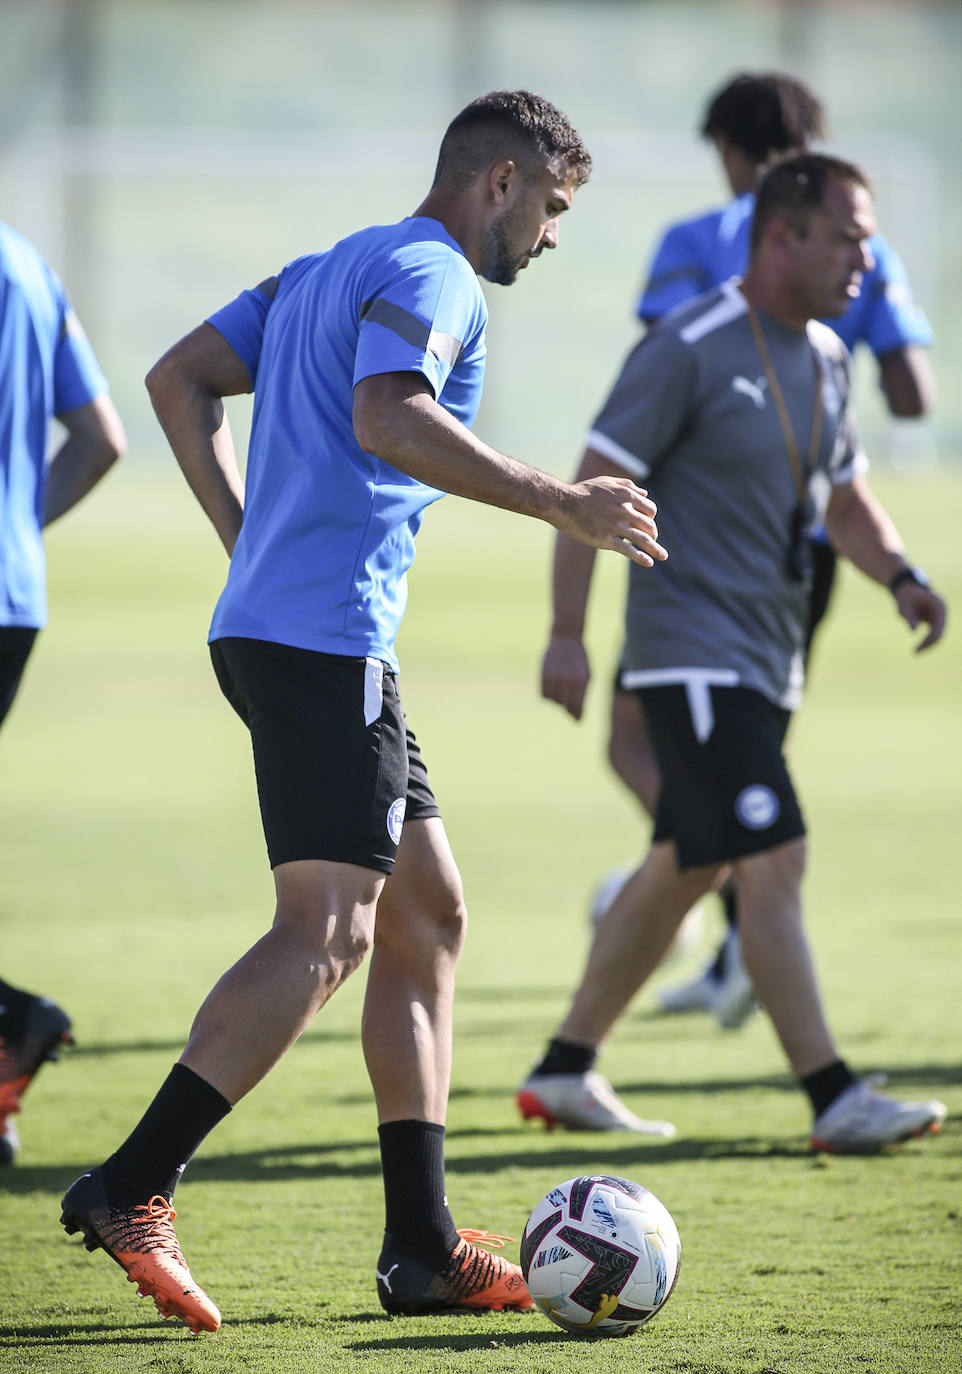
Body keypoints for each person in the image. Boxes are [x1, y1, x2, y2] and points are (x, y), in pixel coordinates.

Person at [58, 90, 666, 1333]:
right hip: (322, 644)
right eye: (552, 207)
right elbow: (388, 415)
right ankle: (132, 1183)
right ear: (499, 183)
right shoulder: (437, 275)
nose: (552, 236)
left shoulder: (320, 270)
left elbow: (178, 379)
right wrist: (562, 502)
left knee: (427, 913)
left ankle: (420, 1249)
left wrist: (247, 541)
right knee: (329, 931)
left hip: (299, 634)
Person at [517, 151, 948, 1152]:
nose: (864, 260)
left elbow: (842, 497)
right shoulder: (689, 344)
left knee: (689, 861)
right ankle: (832, 1096)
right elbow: (588, 489)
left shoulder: (828, 355)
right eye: (846, 239)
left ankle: (564, 1068)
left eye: (867, 241)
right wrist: (567, 634)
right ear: (780, 236)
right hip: (690, 656)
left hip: (765, 658)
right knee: (771, 853)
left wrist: (900, 574)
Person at [603, 71, 936, 1029]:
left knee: (644, 743)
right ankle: (720, 927)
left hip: (699, 545)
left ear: (730, 151)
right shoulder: (865, 247)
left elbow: (665, 370)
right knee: (742, 758)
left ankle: (740, 925)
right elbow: (912, 394)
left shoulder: (705, 240)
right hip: (812, 546)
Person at [0, 222, 126, 1166]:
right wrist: (13, 531)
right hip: (13, 593)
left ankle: (11, 1023)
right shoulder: (26, 263)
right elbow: (101, 439)